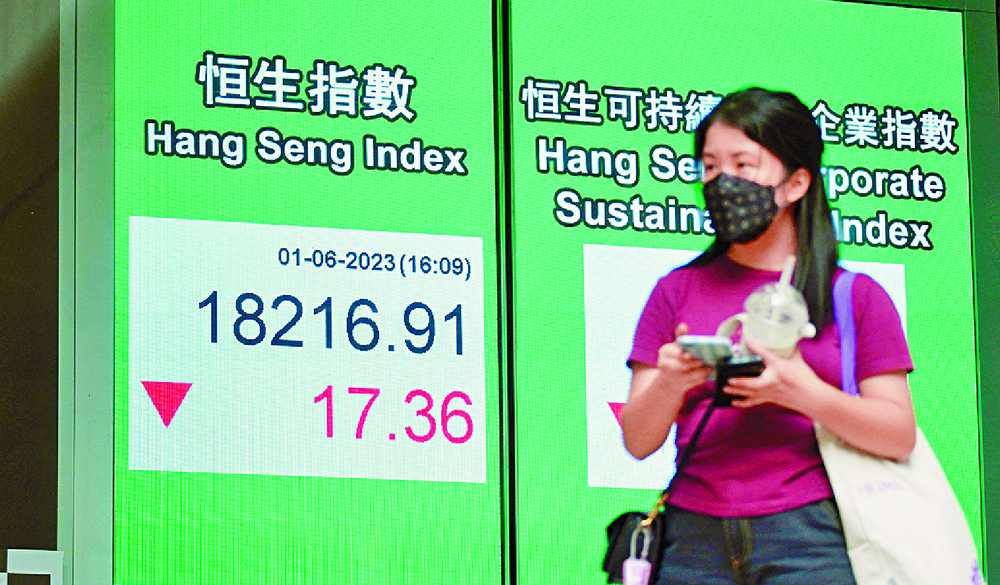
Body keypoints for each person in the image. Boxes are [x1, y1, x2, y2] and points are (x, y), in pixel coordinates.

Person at [621, 87, 916, 585]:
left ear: (796, 182)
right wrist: (671, 382)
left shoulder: (854, 296)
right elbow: (637, 440)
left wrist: (801, 391)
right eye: (709, 167)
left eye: (743, 164)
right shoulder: (676, 290)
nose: (722, 182)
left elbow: (898, 435)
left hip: (813, 538)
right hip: (693, 541)